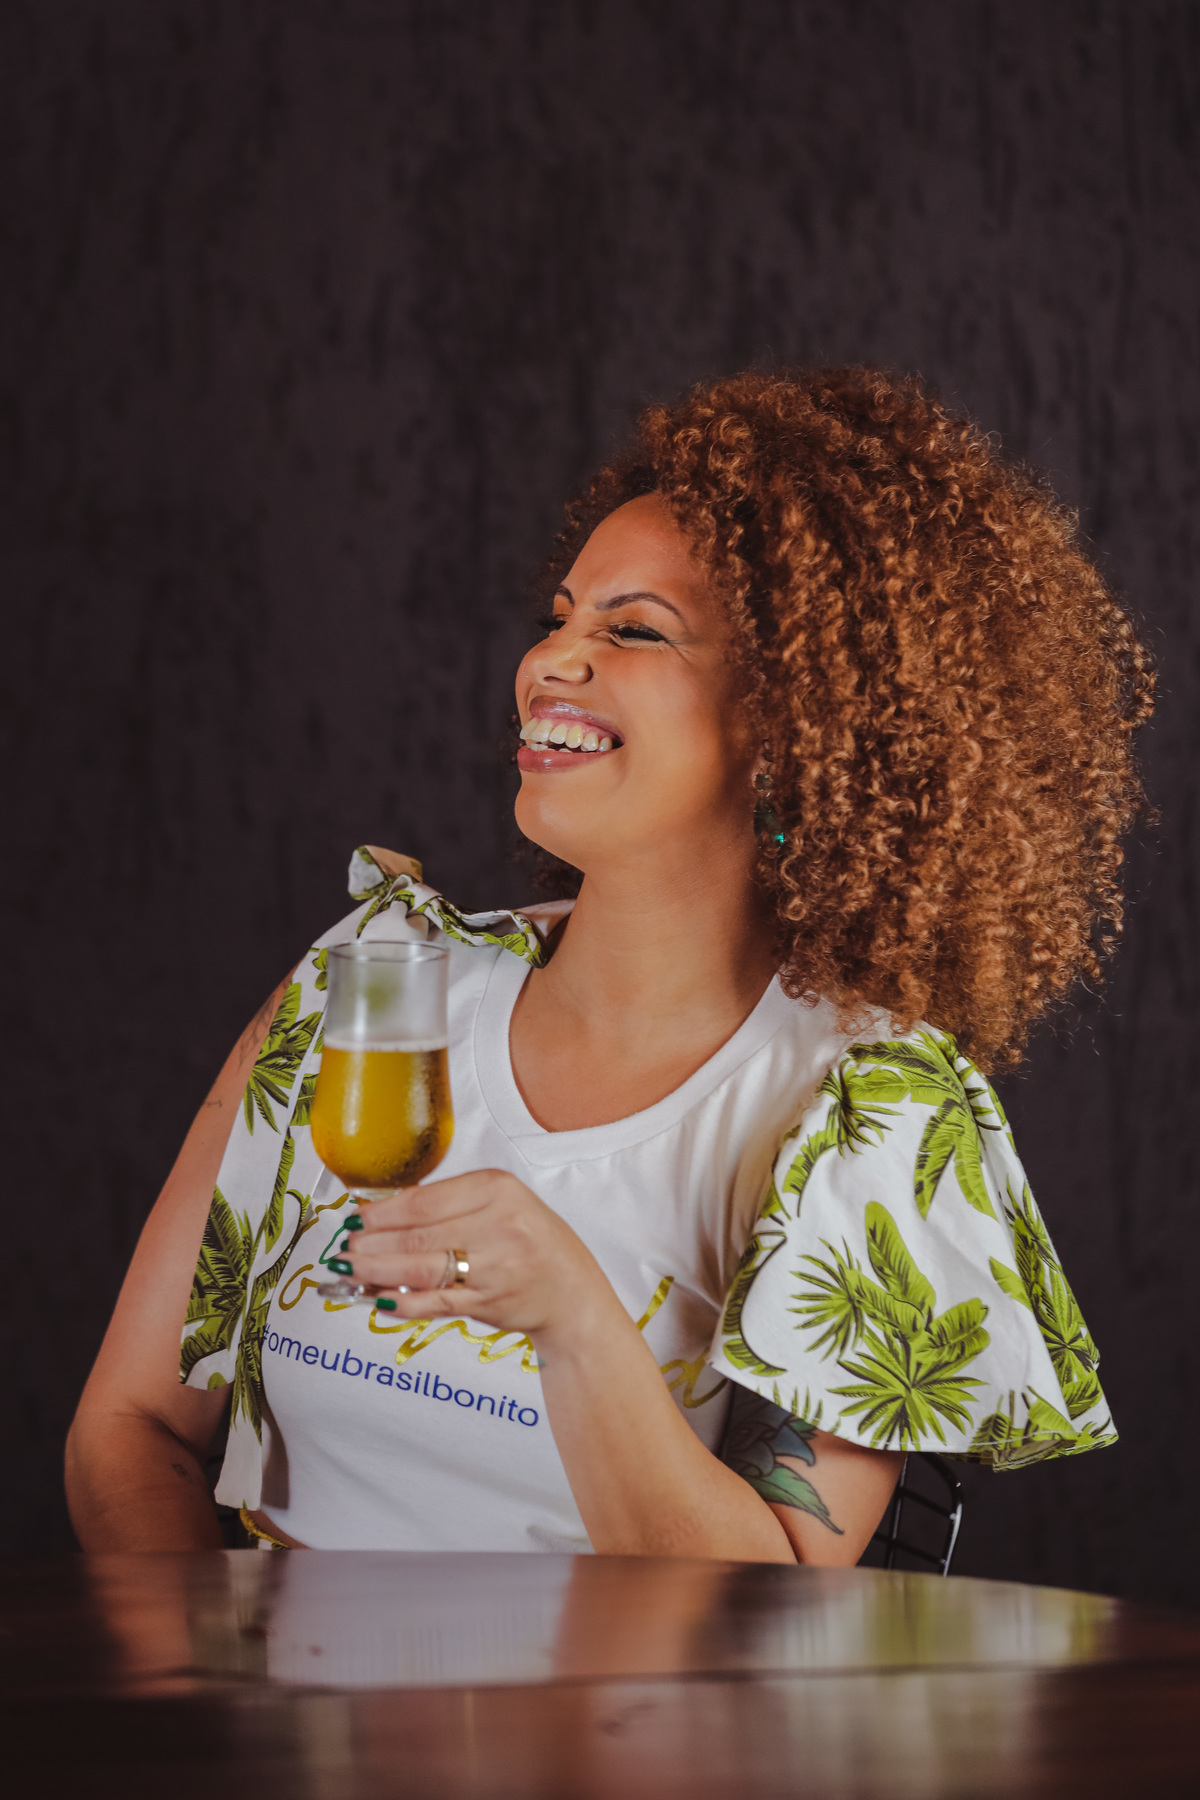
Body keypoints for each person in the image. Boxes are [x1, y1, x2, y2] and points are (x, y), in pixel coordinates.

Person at [66, 367, 1153, 1562]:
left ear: (796, 725)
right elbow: (133, 1428)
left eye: (632, 630)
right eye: (561, 616)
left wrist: (573, 1317)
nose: (550, 661)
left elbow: (787, 1599)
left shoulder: (871, 1111)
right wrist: (195, 1664)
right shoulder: (365, 991)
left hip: (616, 1694)